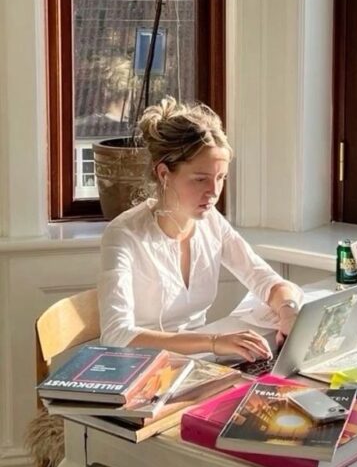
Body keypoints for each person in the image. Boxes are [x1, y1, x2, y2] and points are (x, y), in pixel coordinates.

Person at [98, 97, 303, 359]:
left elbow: (265, 280)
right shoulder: (124, 235)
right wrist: (214, 341)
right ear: (163, 173)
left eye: (220, 178)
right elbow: (117, 335)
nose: (214, 192)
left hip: (200, 364)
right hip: (142, 369)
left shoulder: (210, 222)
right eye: (200, 179)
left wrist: (289, 313)